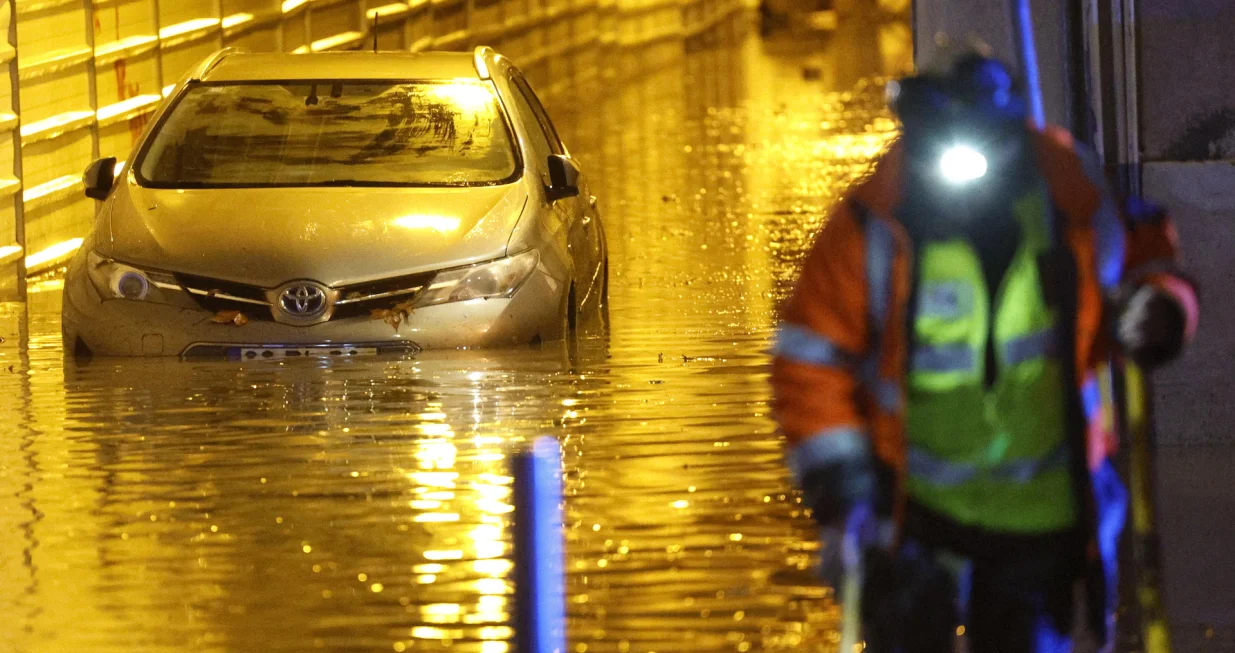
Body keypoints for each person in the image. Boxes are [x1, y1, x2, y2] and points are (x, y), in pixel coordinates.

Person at [770, 46, 1200, 653]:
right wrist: (843, 486)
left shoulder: (1067, 197)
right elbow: (809, 358)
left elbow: (1145, 254)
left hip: (1042, 520)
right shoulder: (876, 222)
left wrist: (1160, 308)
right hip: (915, 519)